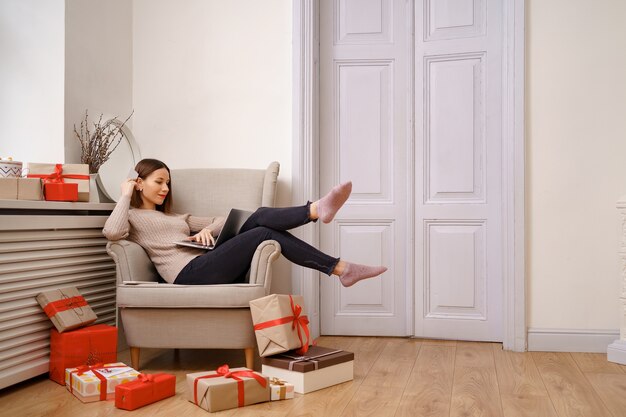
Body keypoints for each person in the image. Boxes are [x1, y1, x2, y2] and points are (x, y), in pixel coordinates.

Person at [103, 158, 387, 287]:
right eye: (159, 182)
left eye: (168, 182)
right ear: (140, 183)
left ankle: (340, 266)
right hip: (187, 275)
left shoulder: (177, 217)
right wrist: (125, 195)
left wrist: (205, 229)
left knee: (262, 222)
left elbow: (222, 219)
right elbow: (113, 233)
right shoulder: (131, 214)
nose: (165, 188)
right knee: (262, 225)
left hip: (206, 262)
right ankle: (315, 213)